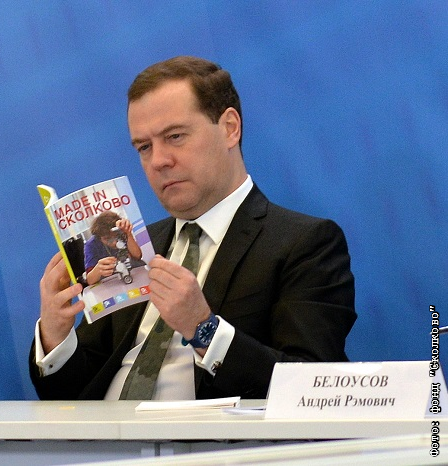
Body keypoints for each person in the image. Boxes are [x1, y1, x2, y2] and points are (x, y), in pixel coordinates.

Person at [30, 56, 356, 400]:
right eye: (144, 147)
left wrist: (203, 329)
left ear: (229, 128)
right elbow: (71, 396)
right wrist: (55, 334)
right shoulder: (135, 245)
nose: (158, 161)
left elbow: (310, 388)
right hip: (105, 434)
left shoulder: (305, 244)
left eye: (175, 136)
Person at [83, 211, 143, 286]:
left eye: (116, 236)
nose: (114, 242)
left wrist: (128, 234)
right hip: (111, 284)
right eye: (107, 238)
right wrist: (98, 269)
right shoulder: (91, 245)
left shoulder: (122, 233)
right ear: (99, 238)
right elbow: (90, 280)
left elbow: (137, 256)